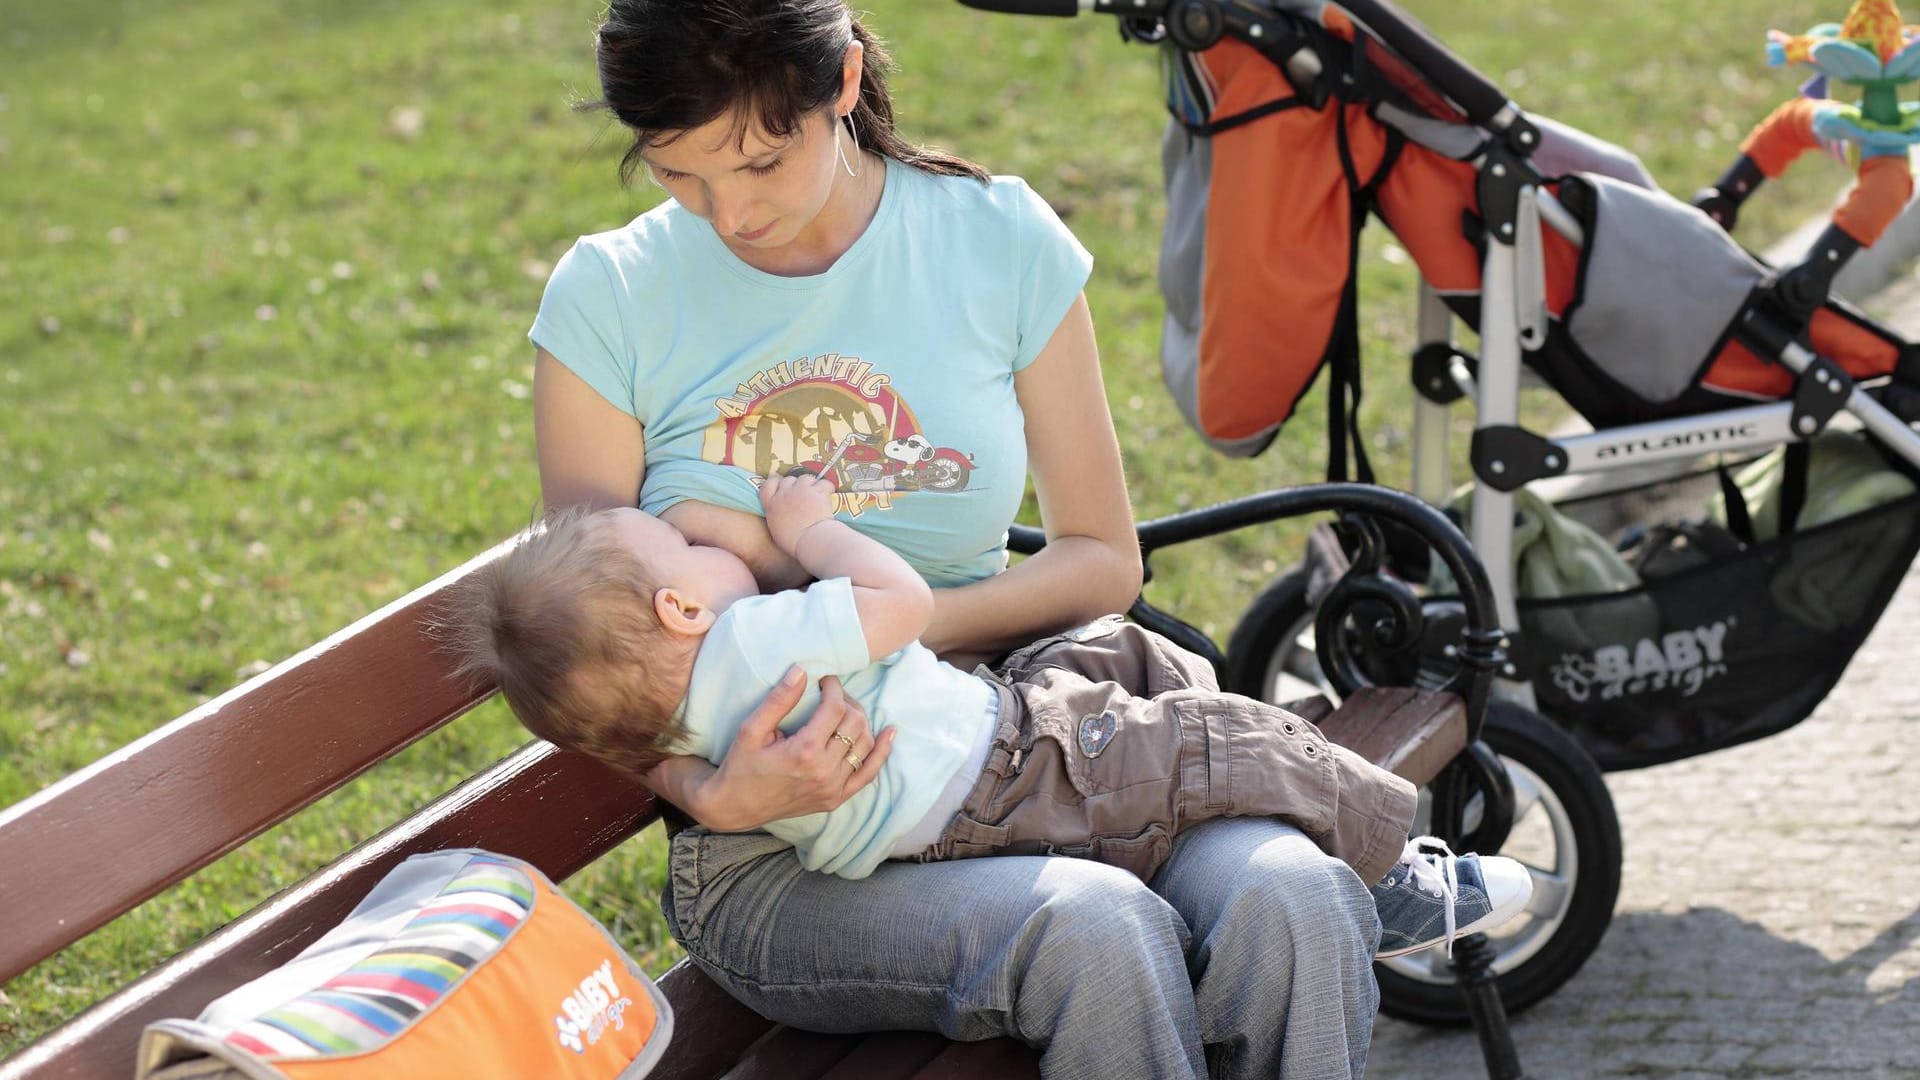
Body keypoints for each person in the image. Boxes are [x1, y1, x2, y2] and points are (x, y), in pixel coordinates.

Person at [530, 1, 1406, 1074]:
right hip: (786, 845)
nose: (729, 214)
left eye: (760, 161)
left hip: (1041, 744)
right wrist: (715, 792)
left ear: (843, 83)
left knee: (1295, 896)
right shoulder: (609, 298)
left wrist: (883, 631)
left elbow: (1100, 558)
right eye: (679, 175)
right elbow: (590, 650)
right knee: (1093, 929)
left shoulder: (997, 239)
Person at [449, 482, 1533, 959]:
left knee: (1120, 650)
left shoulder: (685, 717)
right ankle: (1391, 874)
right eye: (680, 546)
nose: (704, 540)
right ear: (683, 605)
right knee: (1216, 742)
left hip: (972, 763)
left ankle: (1248, 781)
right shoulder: (752, 644)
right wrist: (814, 530)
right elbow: (902, 608)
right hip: (1007, 774)